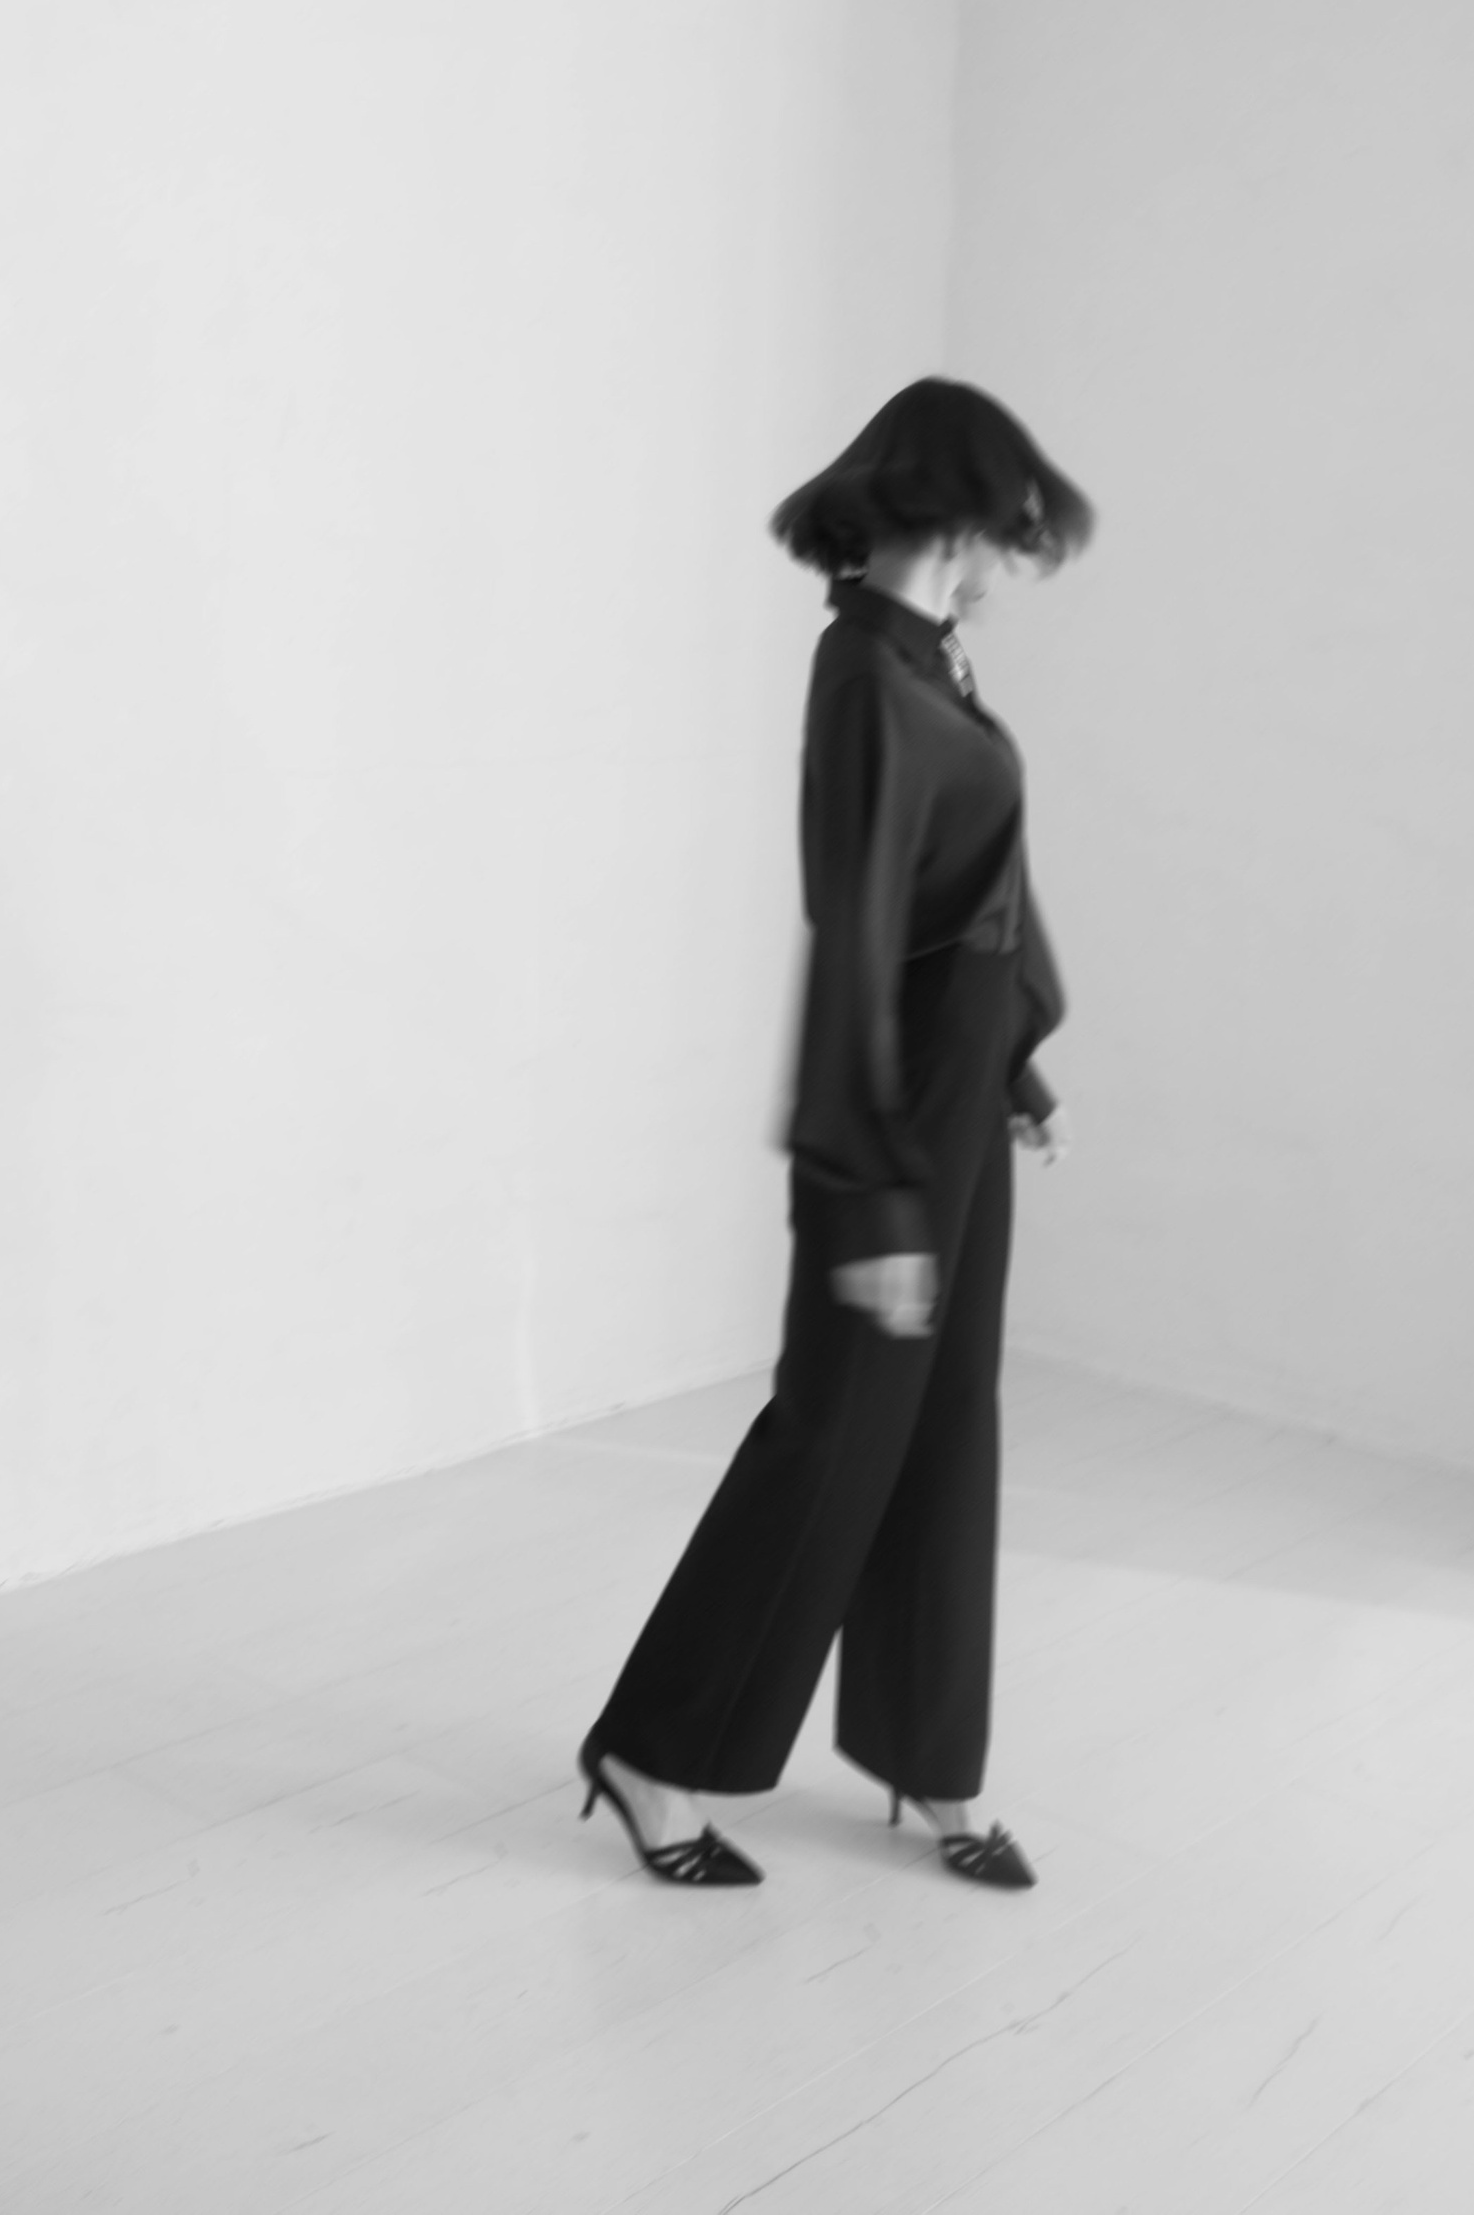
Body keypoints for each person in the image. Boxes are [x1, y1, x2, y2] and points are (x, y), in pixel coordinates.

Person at [576, 376, 1094, 1889]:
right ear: (958, 519)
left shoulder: (935, 659)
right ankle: (656, 1750)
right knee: (836, 1437)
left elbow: (979, 887)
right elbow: (857, 935)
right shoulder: (865, 673)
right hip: (891, 1119)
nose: (1013, 565)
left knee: (945, 1430)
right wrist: (866, 1195)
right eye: (1009, 535)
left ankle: (931, 1760)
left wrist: (1015, 1069)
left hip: (959, 1093)